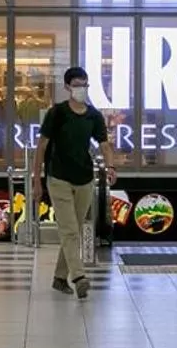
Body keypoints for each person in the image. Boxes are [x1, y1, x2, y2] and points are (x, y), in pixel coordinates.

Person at [31, 66, 114, 301]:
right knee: (69, 230)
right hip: (58, 178)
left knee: (73, 231)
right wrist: (37, 180)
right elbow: (42, 147)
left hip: (85, 179)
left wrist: (111, 167)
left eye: (85, 84)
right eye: (77, 84)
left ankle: (59, 277)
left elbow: (104, 144)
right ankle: (79, 277)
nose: (81, 89)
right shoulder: (57, 113)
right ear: (68, 87)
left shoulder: (93, 116)